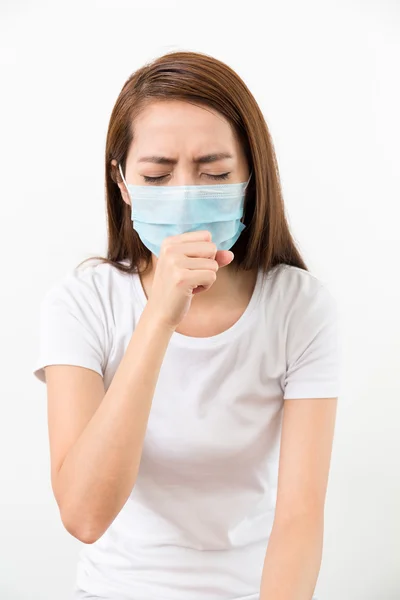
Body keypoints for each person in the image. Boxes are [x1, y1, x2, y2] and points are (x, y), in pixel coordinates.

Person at [33, 51, 339, 600]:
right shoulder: (80, 304)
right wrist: (159, 319)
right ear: (123, 184)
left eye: (215, 173)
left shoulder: (299, 306)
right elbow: (83, 515)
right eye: (156, 174)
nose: (186, 194)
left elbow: (300, 517)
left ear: (250, 176)